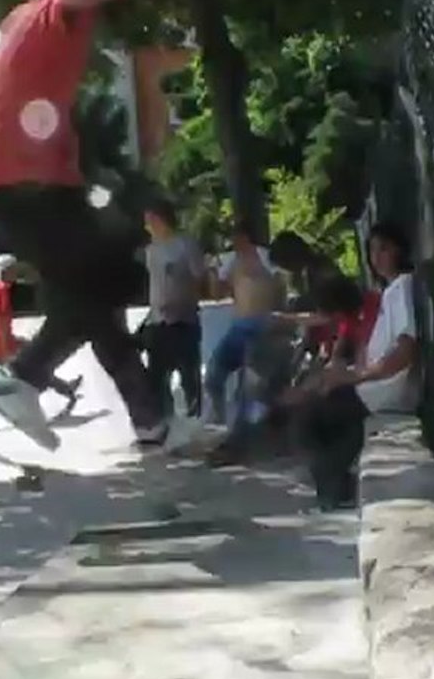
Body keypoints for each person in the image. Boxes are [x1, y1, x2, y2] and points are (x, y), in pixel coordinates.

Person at [0, 0, 167, 450]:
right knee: (106, 277)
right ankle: (19, 378)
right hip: (31, 188)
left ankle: (150, 421)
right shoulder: (53, 4)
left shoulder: (7, 28)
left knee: (89, 296)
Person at [288, 223, 419, 511]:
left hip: (382, 388)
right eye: (372, 249)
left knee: (311, 418)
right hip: (369, 384)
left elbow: (405, 350)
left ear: (399, 250)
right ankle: (336, 485)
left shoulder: (404, 288)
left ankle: (334, 488)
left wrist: (355, 376)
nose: (377, 257)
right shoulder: (390, 290)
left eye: (384, 248)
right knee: (315, 411)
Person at [0, 254, 83, 433]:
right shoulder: (0, 290)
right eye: (14, 270)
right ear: (6, 271)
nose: (16, 273)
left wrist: (14, 341)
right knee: (24, 372)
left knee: (34, 362)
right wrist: (5, 348)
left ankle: (64, 387)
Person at [204, 220, 283, 426]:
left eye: (238, 237)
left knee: (249, 380)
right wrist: (213, 272)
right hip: (240, 325)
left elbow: (280, 286)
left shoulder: (265, 257)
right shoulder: (230, 261)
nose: (235, 242)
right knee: (214, 373)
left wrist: (278, 317)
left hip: (262, 324)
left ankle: (249, 423)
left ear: (246, 237)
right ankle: (219, 415)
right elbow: (217, 295)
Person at [139, 196, 204, 419]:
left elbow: (199, 279)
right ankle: (164, 421)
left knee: (189, 375)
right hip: (158, 320)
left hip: (183, 319)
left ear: (160, 218)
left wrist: (182, 284)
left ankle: (194, 420)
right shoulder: (151, 250)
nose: (147, 225)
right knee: (157, 377)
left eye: (150, 219)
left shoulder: (185, 244)